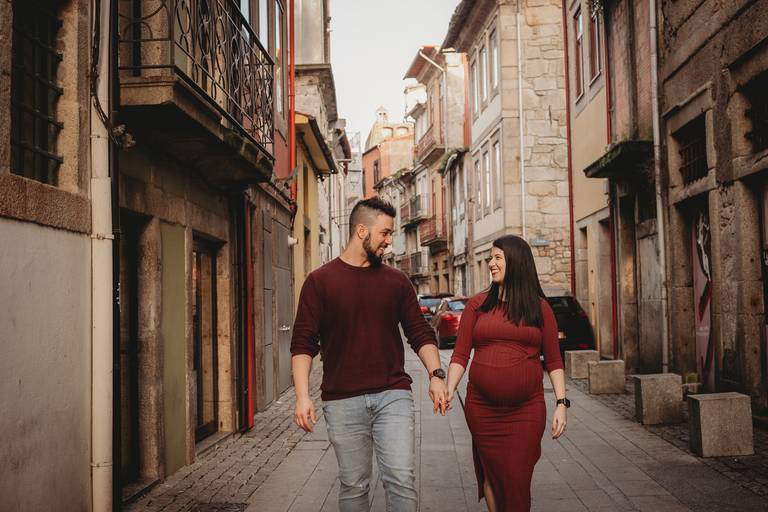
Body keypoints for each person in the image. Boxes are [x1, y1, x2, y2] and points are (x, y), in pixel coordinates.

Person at [290, 197, 449, 512]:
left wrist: (436, 375)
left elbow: (419, 331)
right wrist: (302, 396)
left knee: (401, 478)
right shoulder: (320, 282)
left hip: (393, 394)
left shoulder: (397, 282)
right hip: (341, 400)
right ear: (361, 230)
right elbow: (304, 343)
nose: (390, 242)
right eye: (385, 233)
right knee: (354, 485)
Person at [446, 235, 568, 512]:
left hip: (525, 410)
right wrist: (449, 388)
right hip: (482, 409)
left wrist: (561, 403)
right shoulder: (477, 305)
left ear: (516, 261)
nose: (491, 263)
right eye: (490, 258)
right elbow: (461, 354)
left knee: (515, 477)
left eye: (497, 257)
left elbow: (553, 360)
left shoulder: (539, 308)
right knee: (491, 474)